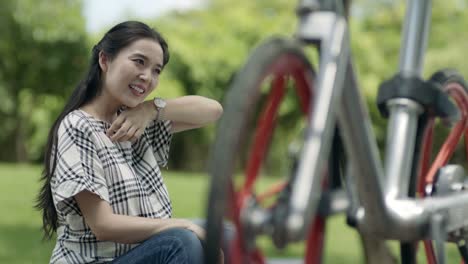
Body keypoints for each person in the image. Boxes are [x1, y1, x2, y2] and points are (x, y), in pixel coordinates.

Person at [36, 21, 224, 264]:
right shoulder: (78, 126)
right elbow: (103, 225)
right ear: (105, 61)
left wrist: (150, 109)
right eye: (139, 61)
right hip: (95, 261)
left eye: (157, 70)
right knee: (183, 241)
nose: (147, 77)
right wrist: (182, 225)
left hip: (141, 253)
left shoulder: (138, 121)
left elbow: (213, 111)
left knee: (223, 234)